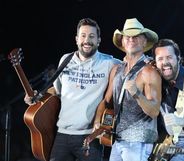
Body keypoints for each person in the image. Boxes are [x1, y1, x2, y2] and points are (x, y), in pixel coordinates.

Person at [24, 18, 120, 161]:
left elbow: (130, 66)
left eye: (92, 36)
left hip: (90, 137)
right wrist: (37, 97)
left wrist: (148, 63)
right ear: (76, 39)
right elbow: (56, 91)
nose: (87, 40)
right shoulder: (65, 59)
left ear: (99, 40)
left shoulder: (109, 63)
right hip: (62, 136)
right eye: (83, 36)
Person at [93, 18, 162, 161]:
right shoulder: (117, 69)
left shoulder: (149, 71)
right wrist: (97, 122)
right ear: (123, 41)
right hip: (118, 139)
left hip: (139, 141)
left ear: (144, 41)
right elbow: (106, 100)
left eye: (136, 36)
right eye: (128, 36)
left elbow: (154, 111)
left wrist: (137, 94)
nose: (131, 39)